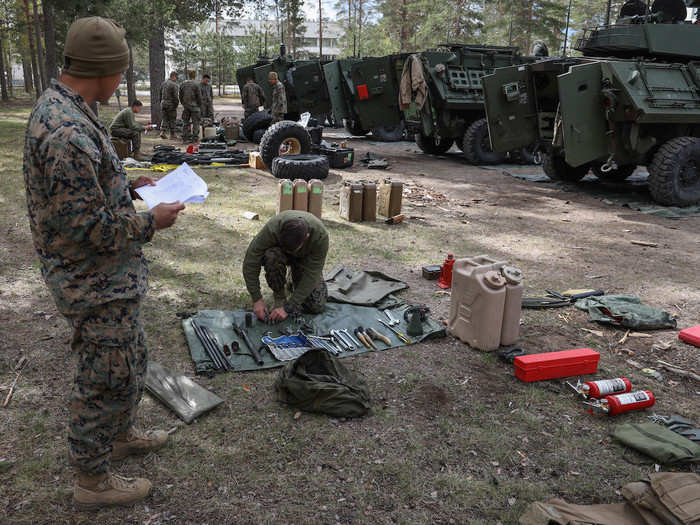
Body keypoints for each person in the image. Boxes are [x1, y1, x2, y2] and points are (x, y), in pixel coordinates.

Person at [23, 16, 185, 509]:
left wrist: (125, 185)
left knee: (129, 361)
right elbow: (90, 230)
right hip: (90, 282)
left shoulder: (73, 109)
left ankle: (119, 436)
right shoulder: (65, 131)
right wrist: (152, 220)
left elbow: (88, 188)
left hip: (108, 279)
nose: (123, 81)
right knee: (104, 378)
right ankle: (91, 481)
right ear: (106, 71)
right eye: (122, 72)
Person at [243, 210, 328, 322]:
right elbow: (251, 260)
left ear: (307, 237)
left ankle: (293, 278)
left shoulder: (320, 237)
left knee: (316, 306)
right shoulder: (273, 227)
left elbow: (312, 274)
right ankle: (279, 296)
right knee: (272, 256)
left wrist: (289, 307)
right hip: (279, 256)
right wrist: (257, 299)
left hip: (304, 262)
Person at [179, 70, 202, 143]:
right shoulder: (196, 84)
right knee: (196, 123)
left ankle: (185, 138)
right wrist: (199, 105)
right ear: (195, 75)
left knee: (185, 123)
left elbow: (180, 95)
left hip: (186, 106)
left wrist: (183, 103)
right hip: (194, 107)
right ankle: (195, 139)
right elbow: (199, 97)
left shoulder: (183, 84)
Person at [160, 71, 179, 139]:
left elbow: (160, 94)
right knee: (172, 119)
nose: (176, 79)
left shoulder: (163, 83)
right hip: (171, 104)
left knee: (164, 118)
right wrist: (176, 104)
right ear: (173, 76)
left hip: (163, 103)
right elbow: (175, 96)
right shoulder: (174, 85)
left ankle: (163, 132)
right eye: (176, 77)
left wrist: (161, 102)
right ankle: (172, 134)